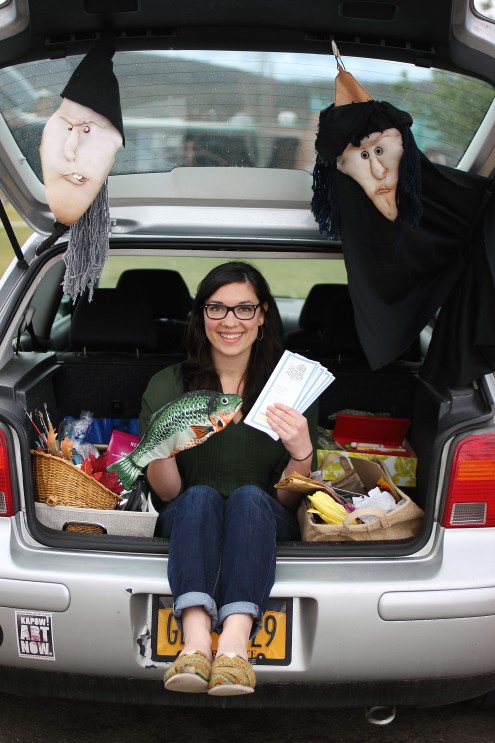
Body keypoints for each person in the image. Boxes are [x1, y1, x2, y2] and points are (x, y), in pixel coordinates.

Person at [140, 261, 318, 696]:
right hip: (187, 517)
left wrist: (302, 452)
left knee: (249, 498)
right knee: (200, 496)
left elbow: (287, 500)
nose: (230, 321)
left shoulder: (292, 390)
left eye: (244, 308)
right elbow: (169, 493)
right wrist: (162, 448)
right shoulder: (168, 386)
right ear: (202, 314)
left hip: (263, 519)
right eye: (216, 308)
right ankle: (196, 644)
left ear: (262, 314)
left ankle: (235, 648)